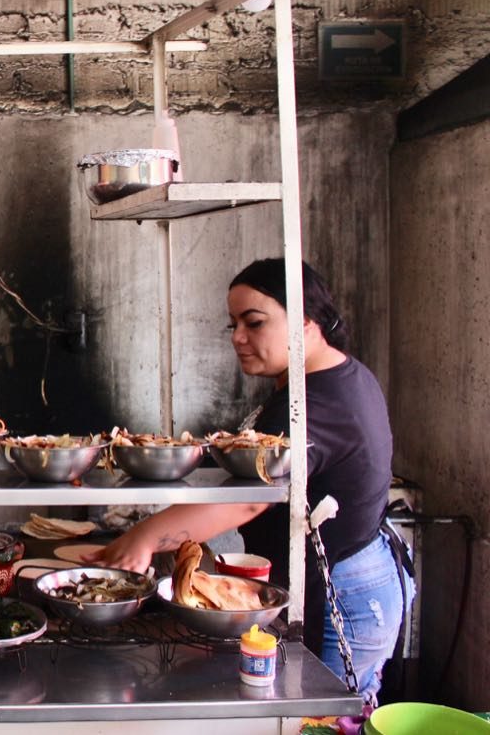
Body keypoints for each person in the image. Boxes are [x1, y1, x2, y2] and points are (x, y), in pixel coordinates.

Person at [87, 258, 412, 703]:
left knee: (324, 718)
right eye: (233, 324)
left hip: (344, 590)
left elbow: (251, 499)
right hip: (339, 573)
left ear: (306, 321)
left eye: (254, 322)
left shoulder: (320, 401)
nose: (238, 338)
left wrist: (146, 537)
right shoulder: (318, 381)